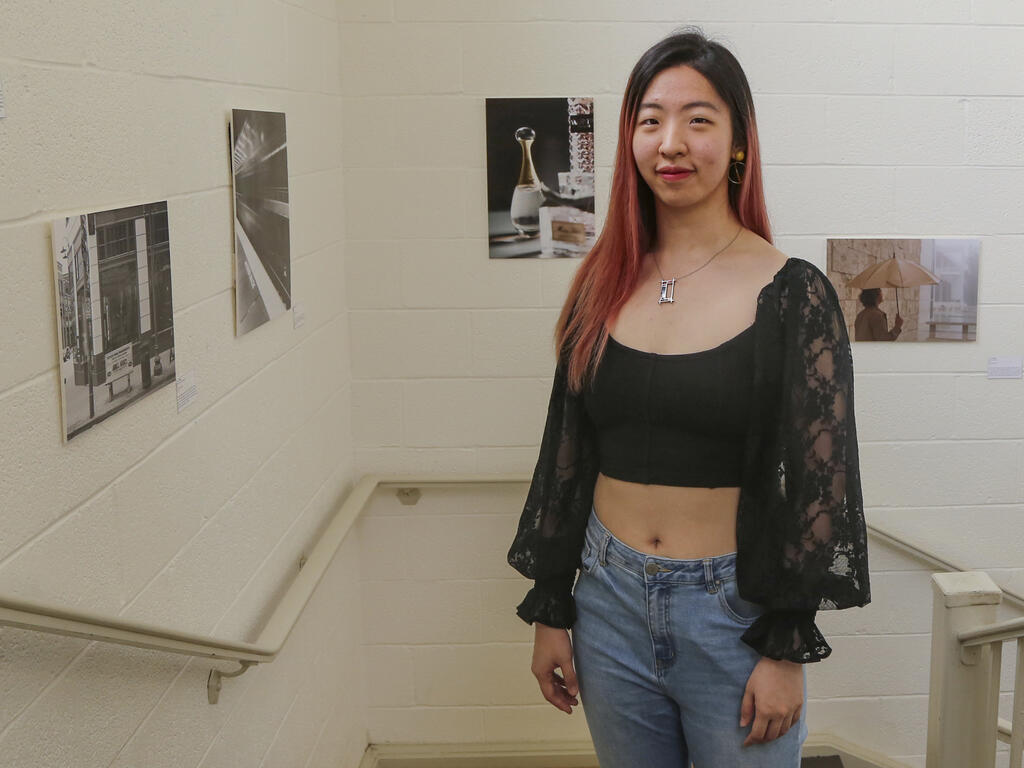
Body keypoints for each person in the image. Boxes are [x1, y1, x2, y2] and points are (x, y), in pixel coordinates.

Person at [506, 27, 871, 768]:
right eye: (650, 119)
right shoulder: (603, 281)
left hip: (733, 616)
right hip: (607, 603)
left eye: (698, 119)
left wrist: (785, 645)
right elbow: (566, 453)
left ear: (738, 141)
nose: (671, 142)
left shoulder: (791, 292)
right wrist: (553, 603)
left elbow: (819, 485)